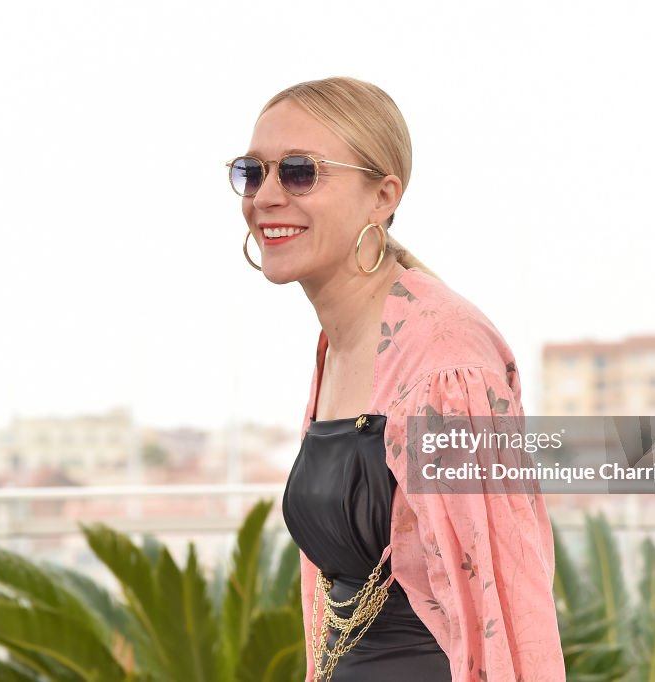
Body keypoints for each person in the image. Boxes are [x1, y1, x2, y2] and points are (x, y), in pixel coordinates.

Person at [228, 76, 565, 682]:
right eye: (253, 172)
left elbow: (507, 595)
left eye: (300, 171)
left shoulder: (445, 354)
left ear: (383, 196)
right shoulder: (341, 343)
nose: (267, 196)